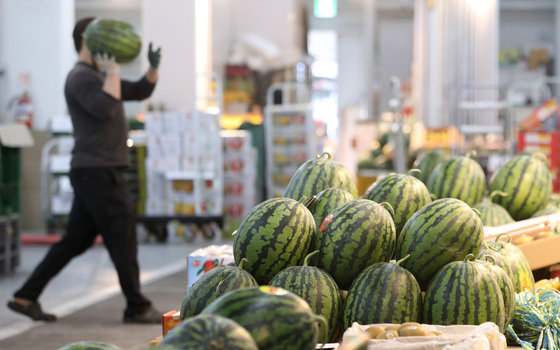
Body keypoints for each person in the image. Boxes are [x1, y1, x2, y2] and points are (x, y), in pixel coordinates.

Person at [7, 17, 163, 324]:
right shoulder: (80, 77)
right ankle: (137, 306)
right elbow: (105, 109)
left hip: (96, 170)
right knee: (123, 236)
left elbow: (140, 91)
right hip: (98, 171)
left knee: (75, 241)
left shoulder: (98, 75)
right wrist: (114, 72)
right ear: (92, 43)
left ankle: (25, 296)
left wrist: (153, 68)